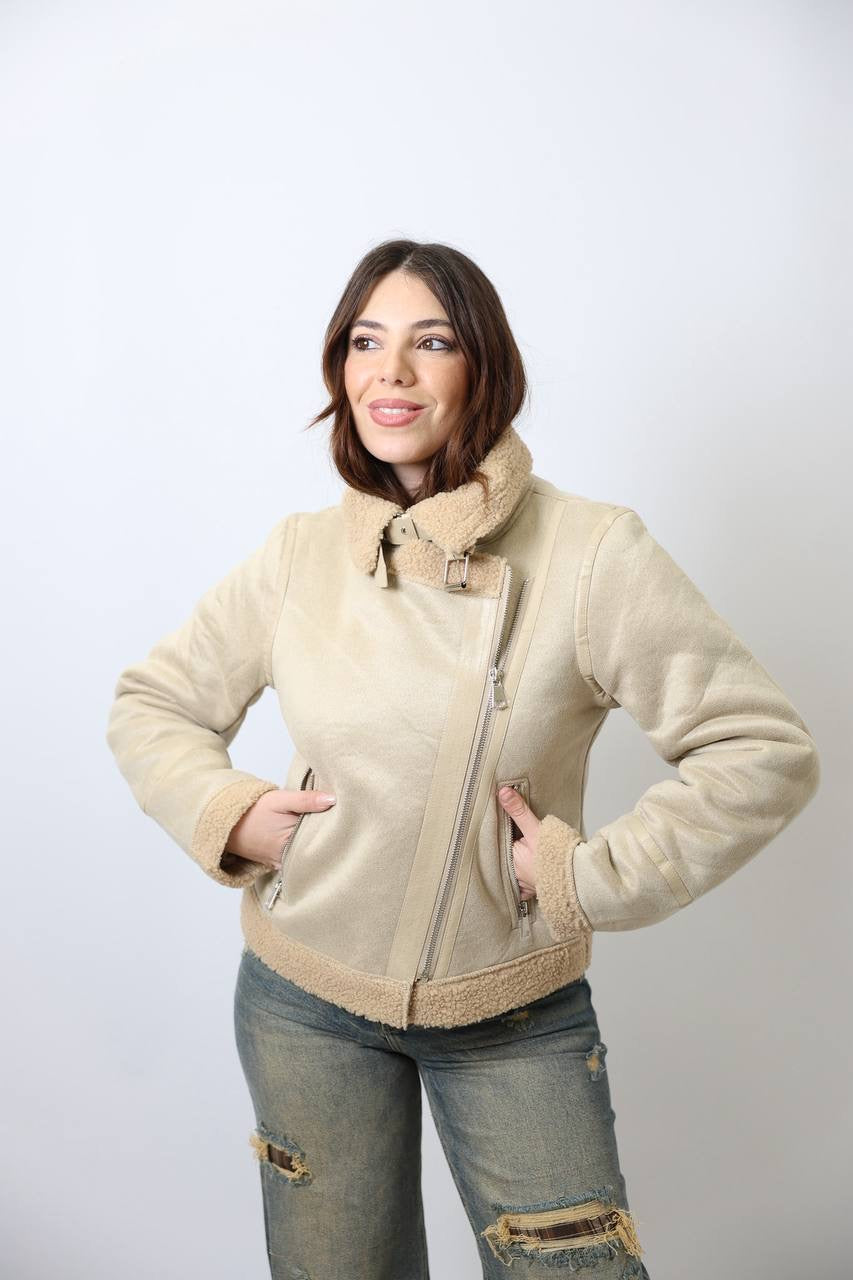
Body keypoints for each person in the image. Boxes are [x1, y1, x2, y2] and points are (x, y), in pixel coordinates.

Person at [105, 239, 820, 1280]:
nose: (389, 372)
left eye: (430, 341)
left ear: (485, 366)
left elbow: (761, 748)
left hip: (511, 1010)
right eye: (365, 342)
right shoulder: (302, 553)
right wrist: (226, 812)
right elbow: (154, 702)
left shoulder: (590, 552)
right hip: (302, 999)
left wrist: (586, 879)